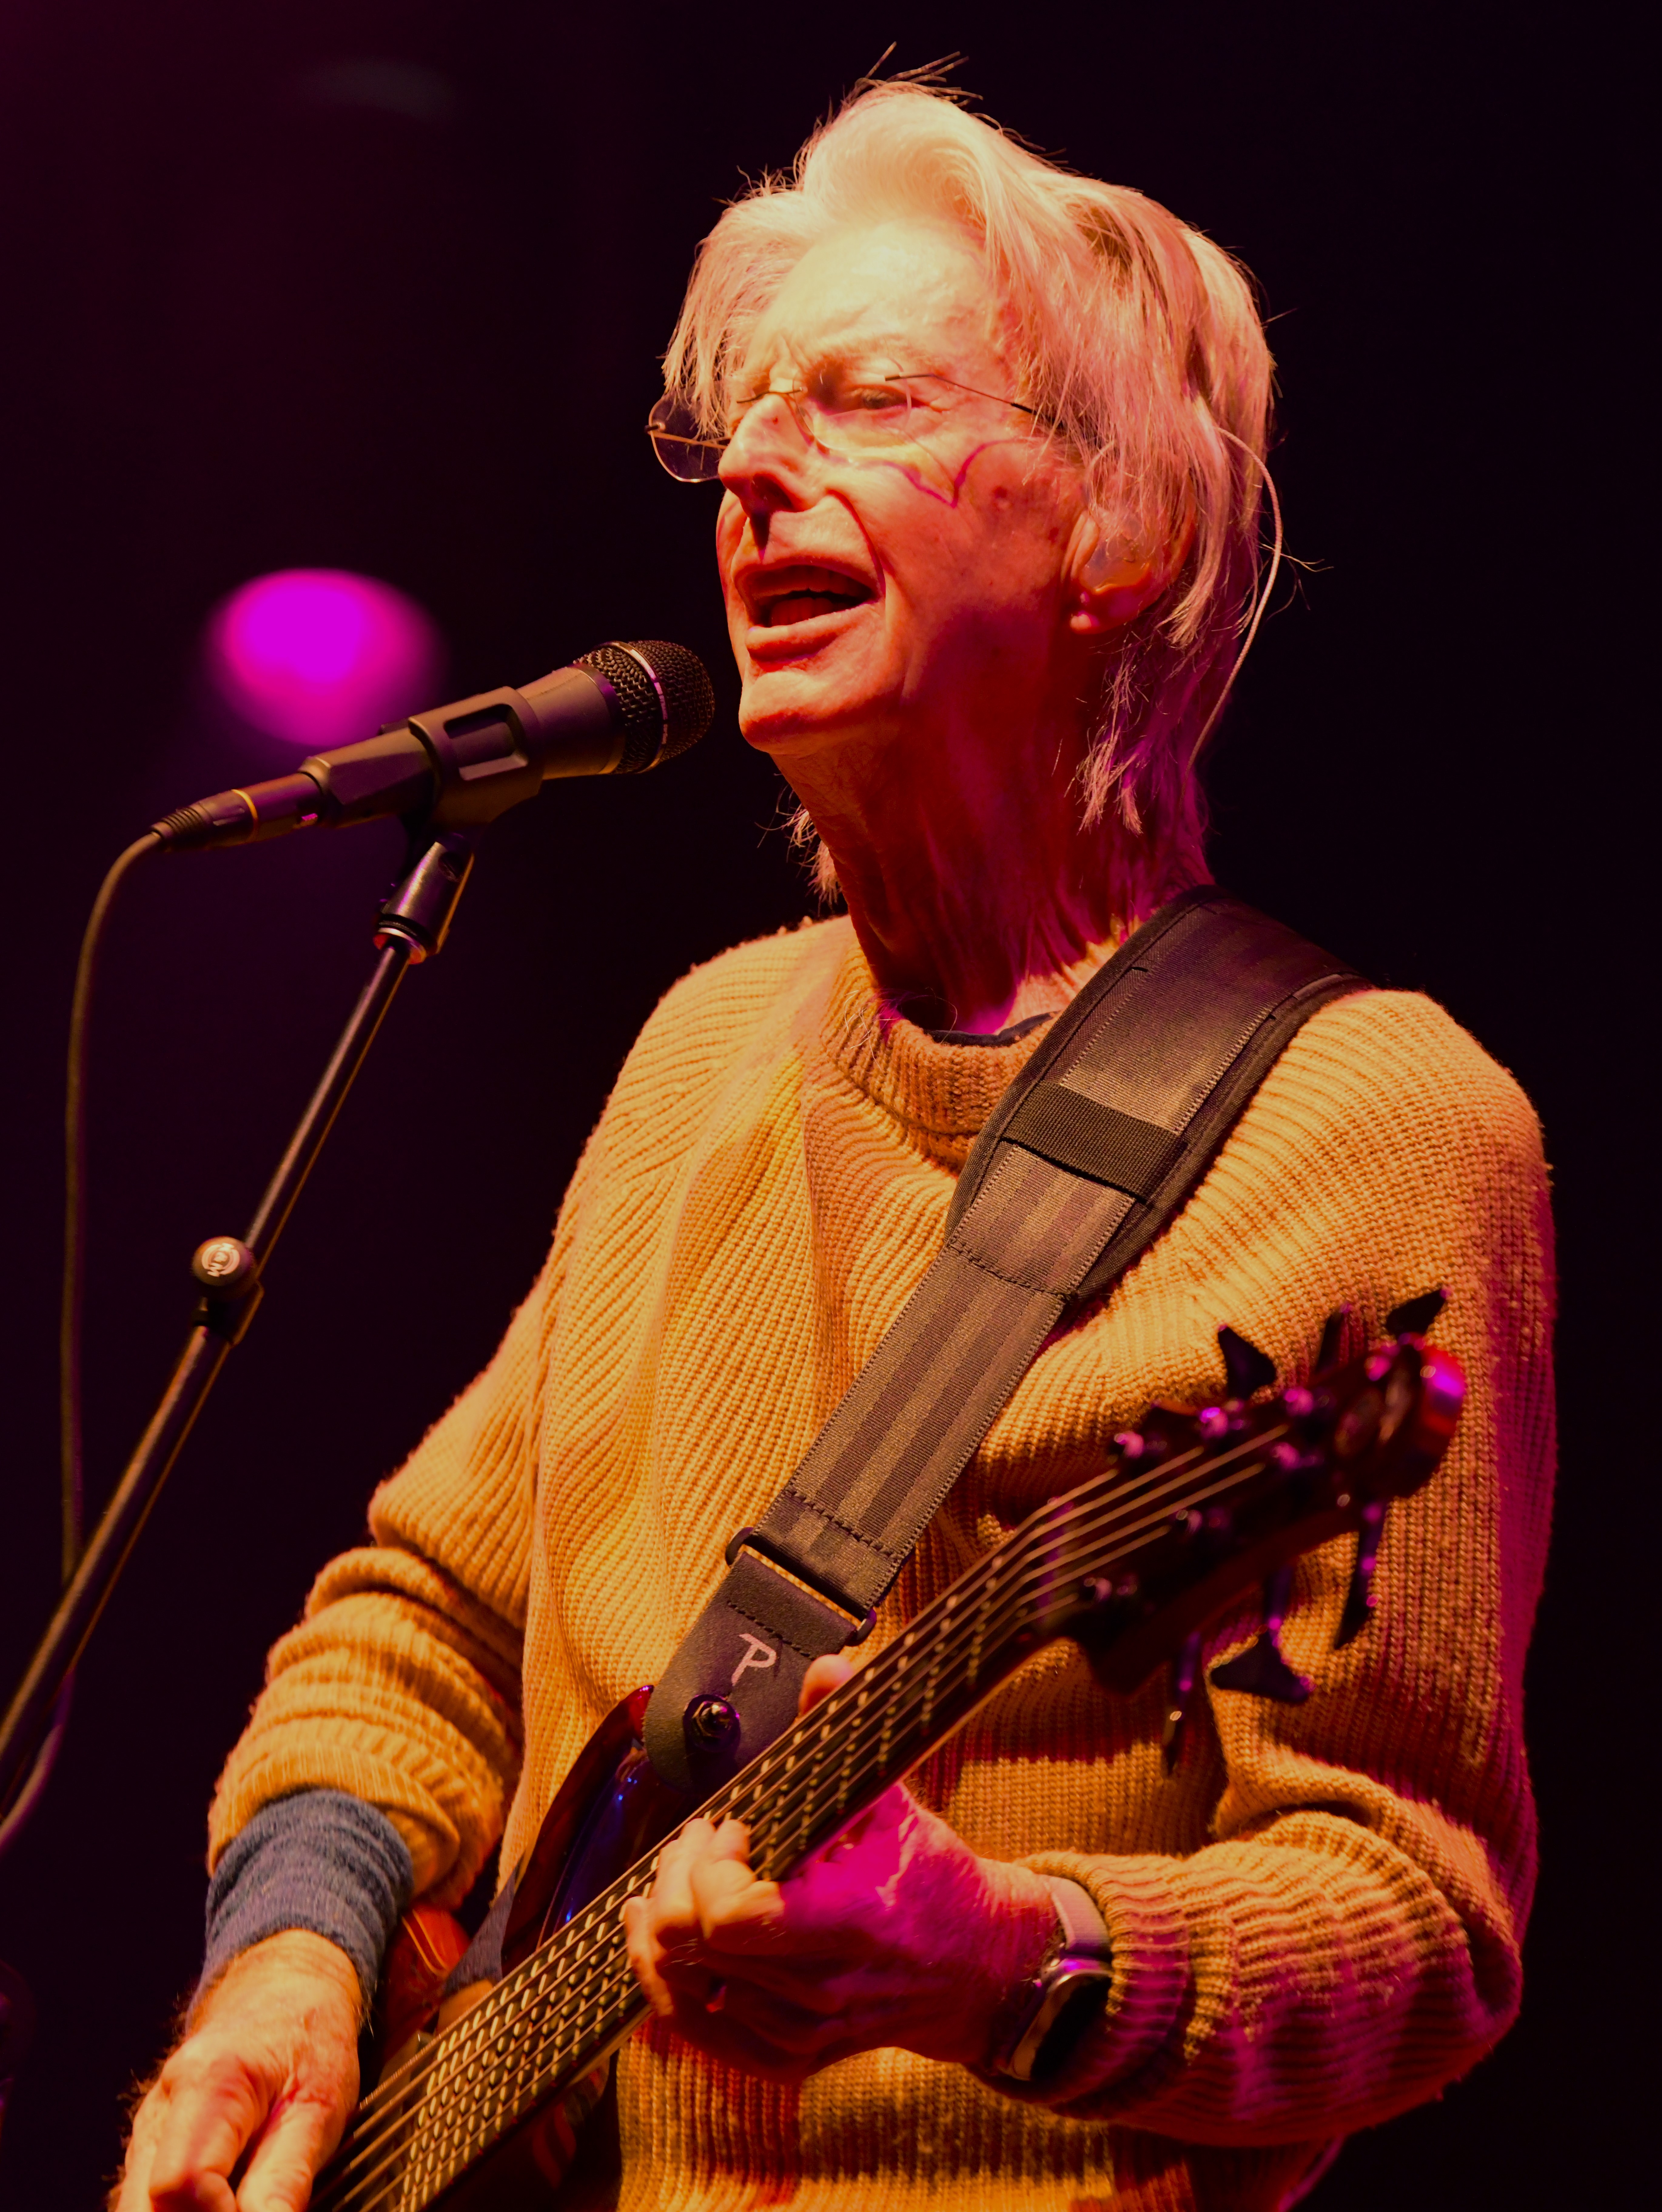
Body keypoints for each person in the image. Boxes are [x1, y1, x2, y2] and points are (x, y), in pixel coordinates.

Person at [115, 82, 1554, 2212]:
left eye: (868, 400)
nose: (759, 472)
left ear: (1120, 534)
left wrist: (999, 1967)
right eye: (742, 430)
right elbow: (416, 1619)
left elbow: (1416, 1918)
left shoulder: (1379, 1121)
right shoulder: (710, 1047)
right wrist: (294, 1961)